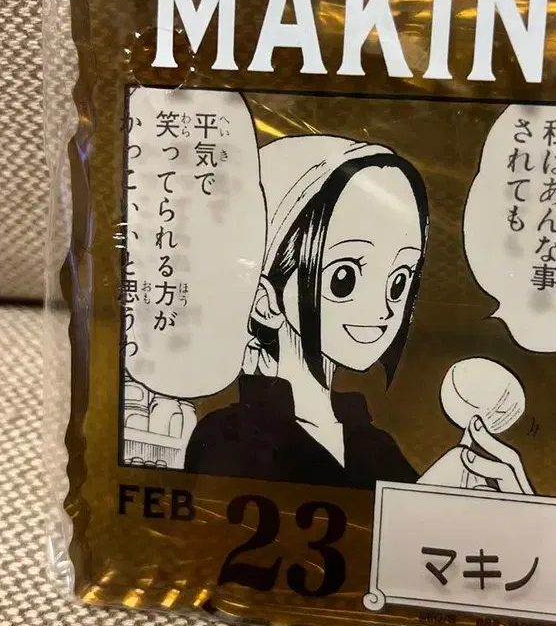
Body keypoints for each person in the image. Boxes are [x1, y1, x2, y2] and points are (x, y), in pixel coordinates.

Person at [184, 134, 532, 494]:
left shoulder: (376, 447)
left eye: (398, 282)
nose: (383, 310)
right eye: (344, 278)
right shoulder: (228, 438)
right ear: (265, 302)